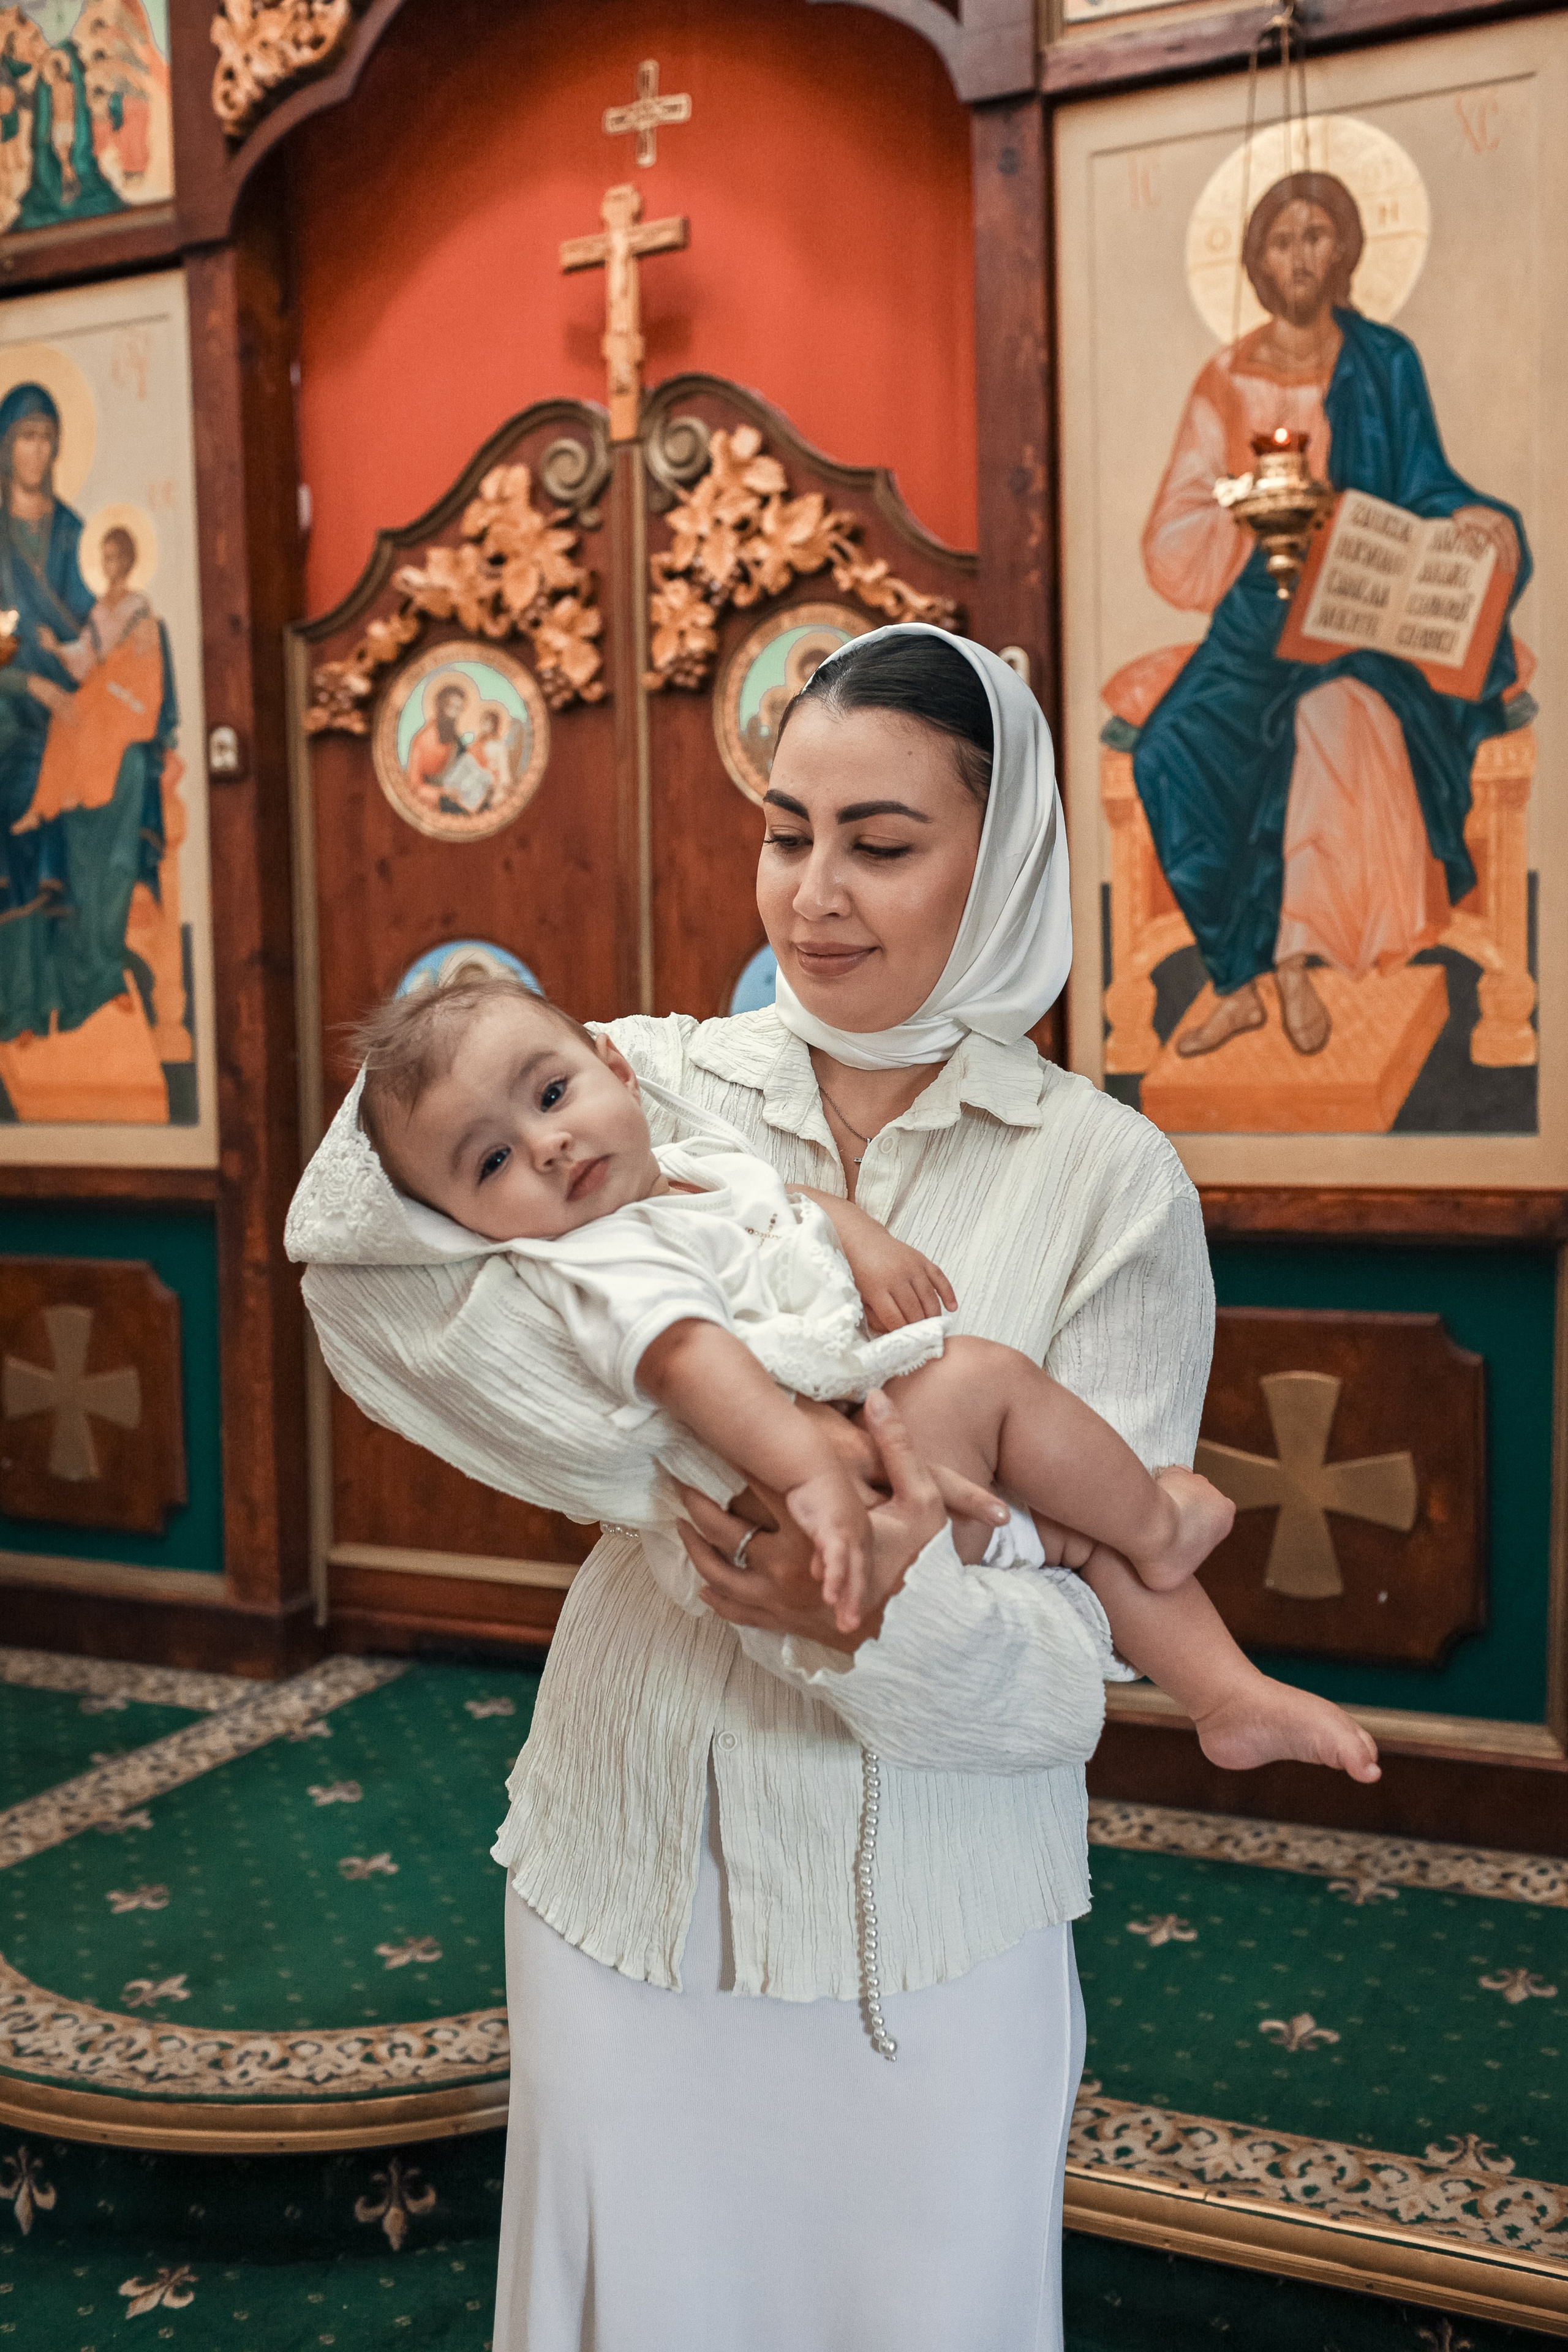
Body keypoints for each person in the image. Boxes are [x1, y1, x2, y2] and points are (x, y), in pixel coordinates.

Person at [288, 626, 1381, 2350]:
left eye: (882, 844)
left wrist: (871, 1613)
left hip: (926, 1932)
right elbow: (355, 1261)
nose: (811, 897)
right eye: (788, 831)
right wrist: (687, 1451)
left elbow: (1065, 1674)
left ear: (1003, 848)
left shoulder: (1109, 1180)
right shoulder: (643, 1074)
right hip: (634, 1877)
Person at [1134, 171, 1532, 1058]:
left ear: (1345, 249)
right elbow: (1175, 529)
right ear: (1255, 261)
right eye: (1280, 241)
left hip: (1360, 615)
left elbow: (1426, 486)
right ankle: (1236, 980)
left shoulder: (1383, 363)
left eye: (1315, 235)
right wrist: (1250, 507)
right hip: (1254, 620)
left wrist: (1474, 520)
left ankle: (1292, 964)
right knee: (1170, 750)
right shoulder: (1228, 377)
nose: (1299, 256)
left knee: (1319, 726)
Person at [0, 384, 175, 1044]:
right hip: (12, 706)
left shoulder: (75, 534)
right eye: (24, 436)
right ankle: (20, 1001)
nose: (35, 451)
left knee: (127, 773)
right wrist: (28, 685)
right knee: (16, 792)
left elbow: (100, 629)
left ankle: (90, 976)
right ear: (5, 446)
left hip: (78, 704)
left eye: (46, 437)